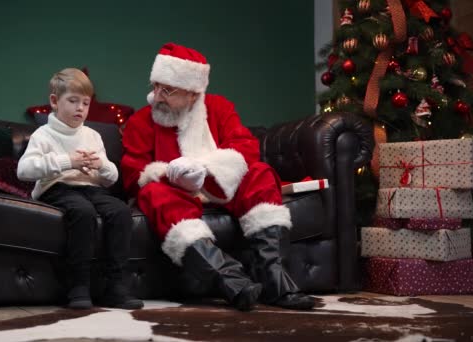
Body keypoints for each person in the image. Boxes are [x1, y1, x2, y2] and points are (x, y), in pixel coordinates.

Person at [120, 43, 315, 311]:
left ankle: (273, 279)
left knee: (260, 173)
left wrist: (206, 169)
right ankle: (232, 281)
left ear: (192, 93)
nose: (157, 96)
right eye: (155, 86)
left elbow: (245, 148)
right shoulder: (142, 121)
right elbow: (133, 174)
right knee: (152, 192)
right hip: (176, 193)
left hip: (221, 186)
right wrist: (172, 174)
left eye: (167, 90)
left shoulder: (219, 108)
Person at [17, 68, 143, 310]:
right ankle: (78, 285)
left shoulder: (93, 136)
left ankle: (117, 286)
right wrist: (68, 161)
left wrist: (101, 165)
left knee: (120, 211)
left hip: (92, 189)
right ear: (55, 101)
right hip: (58, 188)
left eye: (85, 103)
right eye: (73, 101)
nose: (80, 108)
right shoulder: (43, 134)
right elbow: (24, 170)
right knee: (82, 212)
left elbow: (110, 179)